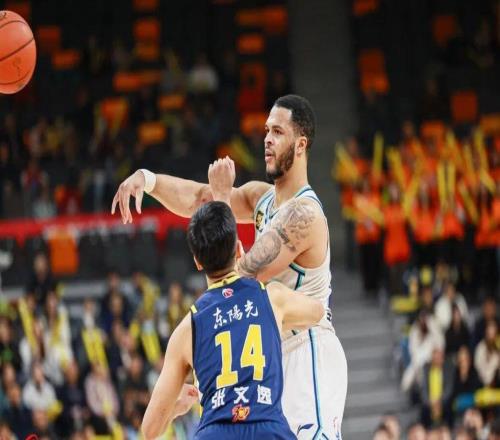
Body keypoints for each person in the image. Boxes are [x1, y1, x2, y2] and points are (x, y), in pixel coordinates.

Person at [113, 94, 347, 438]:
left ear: (301, 145)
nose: (267, 139)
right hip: (267, 358)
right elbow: (199, 200)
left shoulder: (304, 214)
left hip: (305, 349)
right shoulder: (261, 198)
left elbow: (240, 275)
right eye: (266, 130)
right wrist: (147, 180)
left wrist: (223, 198)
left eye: (278, 132)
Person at [141, 201, 324, 439]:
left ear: (197, 262)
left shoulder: (187, 329)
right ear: (239, 249)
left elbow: (150, 429)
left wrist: (176, 408)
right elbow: (317, 311)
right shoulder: (272, 298)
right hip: (269, 431)